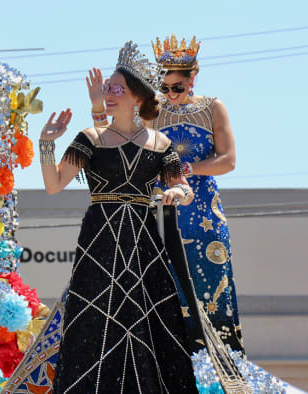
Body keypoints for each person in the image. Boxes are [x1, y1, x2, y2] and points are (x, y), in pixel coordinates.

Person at [41, 41, 198, 393]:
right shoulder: (91, 138)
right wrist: (46, 143)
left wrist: (177, 193)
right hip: (100, 242)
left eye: (116, 89)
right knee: (95, 323)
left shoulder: (160, 144)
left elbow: (184, 188)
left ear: (137, 97)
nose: (108, 94)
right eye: (107, 89)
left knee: (149, 323)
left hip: (144, 244)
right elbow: (54, 185)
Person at [90, 35, 242, 353]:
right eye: (166, 88)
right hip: (161, 214)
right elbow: (114, 141)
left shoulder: (213, 108)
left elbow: (228, 160)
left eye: (178, 87)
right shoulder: (152, 113)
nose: (170, 95)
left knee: (209, 287)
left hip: (203, 215)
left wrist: (185, 168)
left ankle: (216, 367)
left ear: (192, 79)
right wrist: (98, 106)